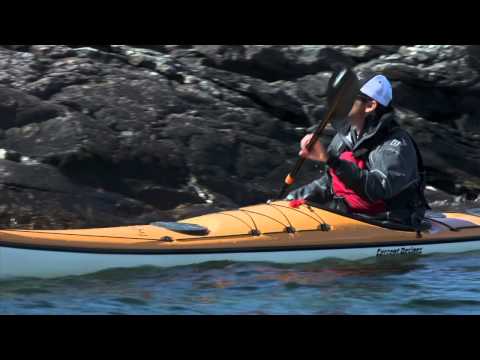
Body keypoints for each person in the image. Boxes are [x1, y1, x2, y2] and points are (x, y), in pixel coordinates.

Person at [286, 72, 429, 228]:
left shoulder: (396, 144)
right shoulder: (345, 136)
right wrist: (290, 201)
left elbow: (377, 190)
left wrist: (331, 160)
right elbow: (331, 183)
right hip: (351, 217)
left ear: (370, 106)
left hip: (390, 223)